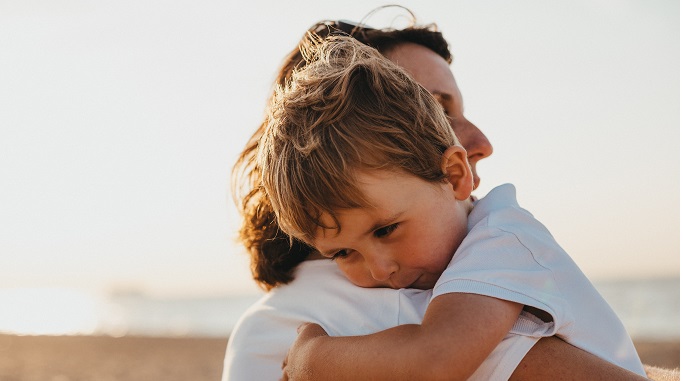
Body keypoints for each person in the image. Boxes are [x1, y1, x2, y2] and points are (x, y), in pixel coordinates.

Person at [224, 13, 670, 381]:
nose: (379, 268)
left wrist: (313, 358)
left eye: (386, 230)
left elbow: (435, 357)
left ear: (452, 174)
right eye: (435, 108)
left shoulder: (497, 240)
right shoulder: (375, 302)